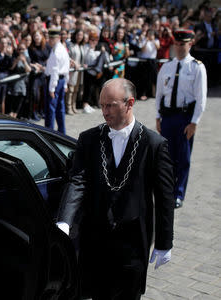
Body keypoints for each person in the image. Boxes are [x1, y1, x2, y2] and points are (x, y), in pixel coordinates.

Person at [57, 78, 175, 300]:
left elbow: (164, 197)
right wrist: (65, 219)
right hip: (96, 240)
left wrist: (164, 242)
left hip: (133, 244)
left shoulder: (154, 144)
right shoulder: (89, 139)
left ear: (130, 103)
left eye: (110, 105)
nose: (104, 111)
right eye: (101, 105)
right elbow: (77, 181)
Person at [155, 29, 207, 209]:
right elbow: (160, 93)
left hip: (185, 118)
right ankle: (167, 190)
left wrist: (194, 122)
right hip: (168, 117)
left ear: (190, 44)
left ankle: (179, 193)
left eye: (182, 44)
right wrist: (157, 117)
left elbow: (201, 98)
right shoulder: (167, 66)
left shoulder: (197, 67)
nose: (179, 47)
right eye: (176, 44)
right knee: (166, 157)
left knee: (183, 158)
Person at [44, 28, 69, 134]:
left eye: (52, 38)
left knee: (51, 109)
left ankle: (49, 133)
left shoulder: (56, 51)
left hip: (55, 81)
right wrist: (65, 84)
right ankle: (61, 132)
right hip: (61, 81)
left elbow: (54, 71)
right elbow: (67, 67)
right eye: (49, 38)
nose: (50, 40)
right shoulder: (61, 49)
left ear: (58, 38)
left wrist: (52, 88)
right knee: (60, 109)